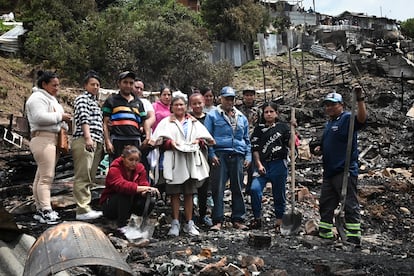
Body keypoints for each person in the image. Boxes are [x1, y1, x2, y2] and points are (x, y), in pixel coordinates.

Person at [150, 96, 215, 237]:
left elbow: (205, 139)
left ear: (186, 106)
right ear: (172, 107)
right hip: (174, 160)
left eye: (182, 105)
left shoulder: (193, 121)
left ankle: (189, 222)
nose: (179, 107)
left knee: (189, 192)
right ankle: (175, 222)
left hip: (190, 159)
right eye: (176, 105)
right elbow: (158, 140)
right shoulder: (166, 122)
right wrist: (170, 144)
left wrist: (199, 141)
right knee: (174, 192)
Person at [315, 88, 367, 246]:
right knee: (326, 202)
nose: (329, 108)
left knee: (349, 203)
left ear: (341, 105)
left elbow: (362, 119)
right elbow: (328, 144)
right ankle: (325, 232)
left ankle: (353, 236)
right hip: (329, 171)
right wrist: (319, 148)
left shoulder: (346, 119)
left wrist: (360, 100)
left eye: (332, 104)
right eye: (327, 105)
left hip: (344, 171)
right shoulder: (329, 123)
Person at [26, 70, 72, 224]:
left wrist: (64, 122)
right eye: (54, 85)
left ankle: (40, 208)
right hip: (42, 138)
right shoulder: (36, 98)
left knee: (40, 177)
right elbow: (39, 117)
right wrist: (61, 117)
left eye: (58, 85)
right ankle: (46, 210)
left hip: (53, 139)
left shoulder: (51, 100)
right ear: (44, 84)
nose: (57, 88)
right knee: (46, 177)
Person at [204, 86, 251, 231]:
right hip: (220, 155)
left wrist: (248, 155)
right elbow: (207, 137)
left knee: (238, 187)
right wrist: (211, 154)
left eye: (232, 99)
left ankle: (238, 219)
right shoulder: (212, 116)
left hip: (237, 154)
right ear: (221, 99)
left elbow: (246, 139)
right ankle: (217, 220)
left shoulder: (241, 117)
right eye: (227, 98)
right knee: (218, 188)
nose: (229, 101)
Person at [249, 102, 290, 230]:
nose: (269, 114)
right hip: (263, 164)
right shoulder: (258, 129)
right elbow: (255, 148)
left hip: (279, 163)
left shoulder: (283, 128)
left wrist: (293, 130)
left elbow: (291, 143)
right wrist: (259, 164)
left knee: (279, 193)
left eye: (271, 111)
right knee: (255, 189)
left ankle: (279, 220)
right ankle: (257, 218)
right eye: (266, 112)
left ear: (276, 113)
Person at [99, 145, 160, 228]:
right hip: (112, 205)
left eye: (136, 160)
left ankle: (139, 223)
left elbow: (143, 183)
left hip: (131, 202)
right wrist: (145, 188)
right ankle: (122, 226)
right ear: (123, 158)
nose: (134, 163)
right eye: (131, 160)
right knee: (125, 194)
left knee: (150, 200)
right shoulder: (114, 169)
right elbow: (122, 186)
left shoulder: (140, 168)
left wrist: (145, 192)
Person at [71, 71, 104, 220]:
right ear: (85, 85)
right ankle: (82, 210)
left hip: (97, 140)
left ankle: (86, 207)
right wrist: (88, 138)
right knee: (83, 175)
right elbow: (84, 119)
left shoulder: (95, 102)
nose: (95, 87)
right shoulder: (82, 99)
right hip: (85, 140)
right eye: (92, 84)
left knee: (90, 176)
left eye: (97, 85)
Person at [102, 71, 147, 163]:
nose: (128, 85)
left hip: (134, 140)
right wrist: (107, 142)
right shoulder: (111, 100)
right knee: (117, 169)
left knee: (134, 170)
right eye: (125, 82)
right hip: (117, 140)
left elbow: (144, 121)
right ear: (119, 83)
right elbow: (105, 123)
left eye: (131, 83)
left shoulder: (138, 102)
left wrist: (147, 137)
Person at [189, 93, 213, 227]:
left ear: (204, 103)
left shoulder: (210, 118)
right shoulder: (187, 118)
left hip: (206, 155)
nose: (197, 106)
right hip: (190, 155)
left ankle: (204, 214)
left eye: (200, 103)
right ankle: (190, 215)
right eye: (194, 103)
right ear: (190, 105)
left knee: (205, 186)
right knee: (190, 186)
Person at [237, 86, 262, 195]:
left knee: (252, 168)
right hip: (240, 141)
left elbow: (261, 126)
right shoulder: (238, 110)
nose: (249, 97)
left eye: (251, 95)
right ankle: (239, 190)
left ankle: (250, 190)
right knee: (240, 167)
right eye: (246, 95)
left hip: (254, 142)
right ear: (243, 96)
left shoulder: (258, 111)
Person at [132, 78, 155, 181]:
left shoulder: (145, 102)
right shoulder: (120, 100)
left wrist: (146, 130)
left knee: (143, 165)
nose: (139, 91)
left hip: (143, 138)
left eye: (141, 89)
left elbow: (151, 117)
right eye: (137, 87)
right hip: (127, 136)